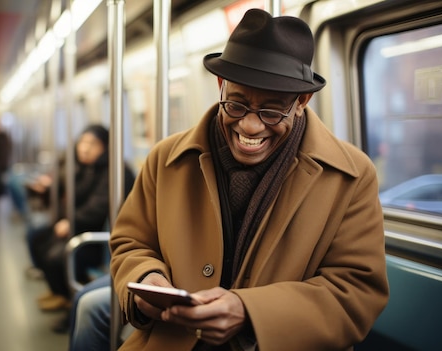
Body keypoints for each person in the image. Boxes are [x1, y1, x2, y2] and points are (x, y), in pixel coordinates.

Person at [109, 9, 389, 351]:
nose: (250, 127)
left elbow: (355, 293)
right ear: (220, 86)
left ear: (302, 102)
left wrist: (250, 312)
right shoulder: (165, 159)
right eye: (236, 105)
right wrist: (144, 279)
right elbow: (131, 244)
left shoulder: (352, 177)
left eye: (271, 112)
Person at [29, 124, 135, 313]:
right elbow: (70, 190)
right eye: (82, 142)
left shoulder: (115, 172)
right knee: (36, 239)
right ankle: (59, 292)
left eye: (92, 144)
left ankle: (70, 301)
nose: (84, 148)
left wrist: (71, 221)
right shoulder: (84, 168)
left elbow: (97, 207)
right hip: (81, 228)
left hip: (96, 238)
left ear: (104, 147)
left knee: (55, 257)